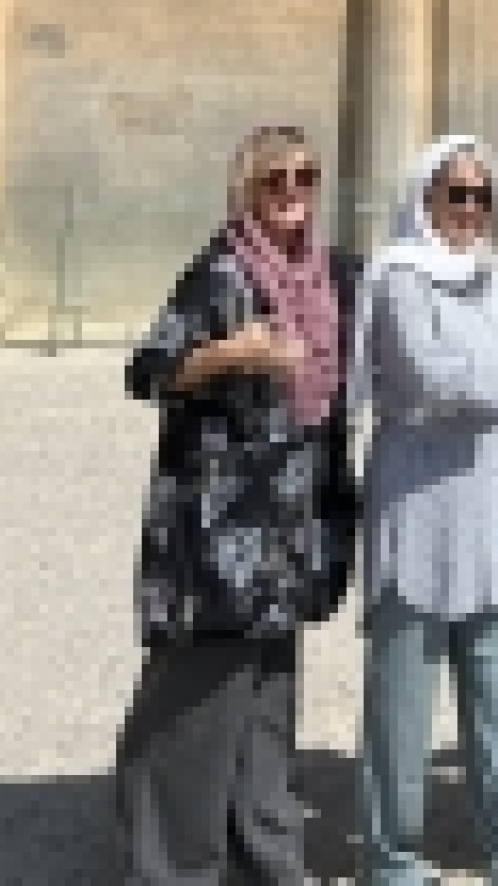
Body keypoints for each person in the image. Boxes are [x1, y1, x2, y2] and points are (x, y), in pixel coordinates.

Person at [116, 123, 359, 886]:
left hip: (294, 519)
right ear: (245, 191)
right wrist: (228, 354)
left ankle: (266, 857)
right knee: (201, 697)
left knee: (268, 698)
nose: (292, 192)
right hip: (220, 524)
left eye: (305, 177)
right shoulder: (219, 271)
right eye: (274, 179)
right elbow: (146, 370)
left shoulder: (332, 273)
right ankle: (175, 867)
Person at [352, 132, 498, 886]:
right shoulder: (401, 275)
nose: (473, 209)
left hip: (488, 517)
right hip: (418, 510)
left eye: (485, 195)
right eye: (459, 194)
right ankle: (392, 855)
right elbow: (425, 376)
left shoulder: (490, 270)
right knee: (401, 704)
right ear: (426, 199)